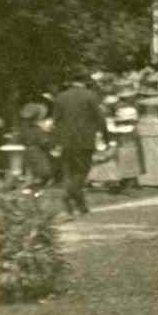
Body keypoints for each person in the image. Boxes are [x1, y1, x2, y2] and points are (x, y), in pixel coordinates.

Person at [51, 71, 102, 217]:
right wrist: (106, 136)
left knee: (69, 171)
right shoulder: (90, 96)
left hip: (66, 140)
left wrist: (56, 140)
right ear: (85, 82)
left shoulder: (60, 97)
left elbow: (56, 121)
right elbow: (99, 118)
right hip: (85, 139)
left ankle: (80, 205)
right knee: (82, 170)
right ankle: (68, 195)